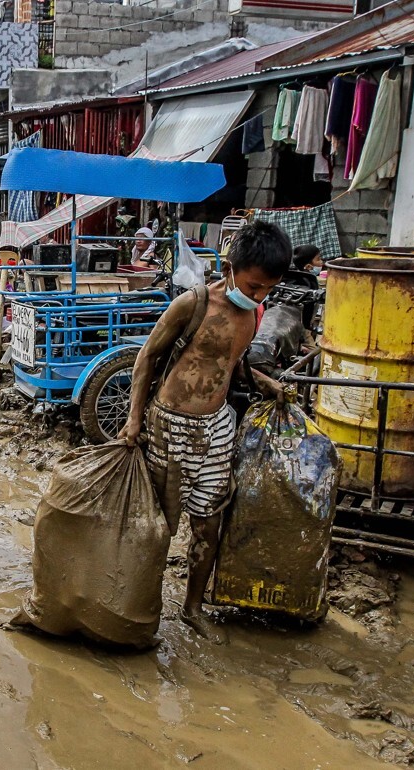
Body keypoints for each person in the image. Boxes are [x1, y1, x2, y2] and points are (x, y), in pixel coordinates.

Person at [119, 220, 290, 644]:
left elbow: (232, 363)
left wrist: (266, 383)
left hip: (217, 427)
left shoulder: (255, 312)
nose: (257, 296)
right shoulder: (192, 304)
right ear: (230, 267)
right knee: (160, 526)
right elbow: (146, 359)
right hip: (170, 424)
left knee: (210, 524)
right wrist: (134, 418)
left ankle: (193, 607)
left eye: (267, 289)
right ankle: (143, 608)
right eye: (252, 286)